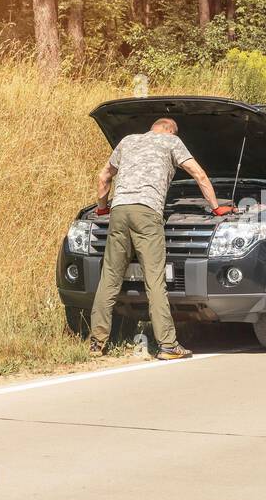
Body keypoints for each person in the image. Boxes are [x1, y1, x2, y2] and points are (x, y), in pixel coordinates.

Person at [88, 117, 236, 360]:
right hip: (147, 213)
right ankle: (168, 346)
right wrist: (216, 207)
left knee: (110, 277)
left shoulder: (128, 141)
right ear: (170, 130)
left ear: (152, 127)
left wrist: (102, 208)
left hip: (120, 211)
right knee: (155, 279)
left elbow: (104, 176)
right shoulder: (171, 142)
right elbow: (198, 173)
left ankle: (97, 343)